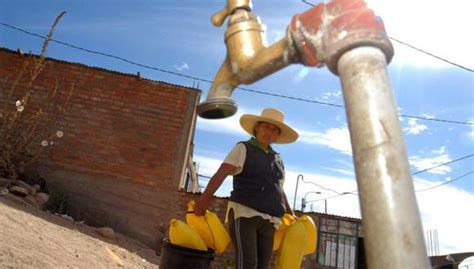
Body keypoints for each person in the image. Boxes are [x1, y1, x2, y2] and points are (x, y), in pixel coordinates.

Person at [194, 108, 298, 269]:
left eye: (274, 130)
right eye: (266, 126)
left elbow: (279, 188)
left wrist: (290, 213)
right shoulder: (243, 148)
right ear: (257, 127)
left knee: (262, 265)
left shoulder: (277, 159)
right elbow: (222, 172)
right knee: (248, 264)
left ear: (277, 136)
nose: (269, 132)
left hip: (270, 220)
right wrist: (205, 197)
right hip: (244, 213)